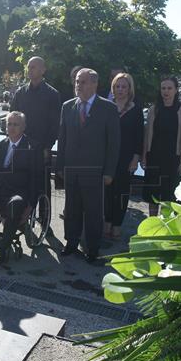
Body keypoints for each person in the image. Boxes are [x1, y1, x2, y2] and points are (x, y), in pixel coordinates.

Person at [56, 68, 120, 265]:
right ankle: (71, 242)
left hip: (95, 171)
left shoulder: (108, 108)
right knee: (72, 208)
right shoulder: (68, 107)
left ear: (94, 84)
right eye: (77, 82)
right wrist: (60, 166)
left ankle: (93, 248)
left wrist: (109, 171)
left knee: (93, 212)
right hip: (72, 170)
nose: (78, 85)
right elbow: (62, 139)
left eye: (82, 82)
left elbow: (114, 143)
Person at [0, 111, 43, 260]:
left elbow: (35, 179)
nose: (12, 128)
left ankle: (0, 250)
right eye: (9, 124)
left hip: (18, 192)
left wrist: (31, 205)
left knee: (14, 205)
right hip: (0, 190)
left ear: (24, 127)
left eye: (16, 124)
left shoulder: (33, 148)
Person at [10, 56, 61, 222]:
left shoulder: (52, 94)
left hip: (41, 148)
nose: (29, 70)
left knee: (43, 186)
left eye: (33, 67)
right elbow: (12, 117)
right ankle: (23, 215)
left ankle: (44, 219)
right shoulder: (20, 93)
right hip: (22, 147)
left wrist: (48, 146)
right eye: (28, 67)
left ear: (42, 70)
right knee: (22, 182)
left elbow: (55, 124)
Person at [104, 73, 144, 241]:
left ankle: (117, 225)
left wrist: (136, 158)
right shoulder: (106, 106)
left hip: (127, 157)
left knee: (121, 192)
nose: (120, 89)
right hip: (107, 156)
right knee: (107, 191)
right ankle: (106, 222)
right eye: (117, 86)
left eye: (123, 86)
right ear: (113, 88)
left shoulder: (135, 109)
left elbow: (139, 135)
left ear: (129, 89)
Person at [142, 76, 181, 216]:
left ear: (176, 90)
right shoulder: (154, 110)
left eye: (169, 88)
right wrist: (144, 156)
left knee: (167, 196)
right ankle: (152, 224)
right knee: (152, 196)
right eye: (163, 88)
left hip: (172, 159)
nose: (166, 91)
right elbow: (147, 136)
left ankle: (164, 226)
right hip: (154, 157)